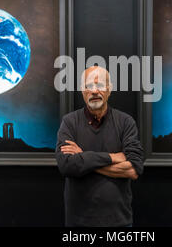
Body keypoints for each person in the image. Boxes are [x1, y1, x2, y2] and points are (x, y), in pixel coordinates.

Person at [55, 66, 144, 227]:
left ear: (109, 90)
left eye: (101, 85)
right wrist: (113, 157)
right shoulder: (69, 123)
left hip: (119, 223)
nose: (95, 91)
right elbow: (67, 166)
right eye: (89, 86)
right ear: (82, 91)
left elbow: (133, 170)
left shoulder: (125, 122)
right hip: (79, 224)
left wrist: (84, 158)